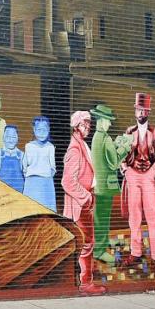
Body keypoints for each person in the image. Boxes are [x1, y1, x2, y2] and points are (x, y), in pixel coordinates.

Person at [62, 110, 106, 295]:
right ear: (76, 125)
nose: (87, 126)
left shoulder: (81, 145)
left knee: (85, 243)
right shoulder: (74, 149)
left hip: (85, 202)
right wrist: (87, 198)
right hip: (80, 205)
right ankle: (85, 283)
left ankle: (82, 280)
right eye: (84, 123)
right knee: (86, 243)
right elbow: (68, 181)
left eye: (89, 123)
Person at [120, 93, 155, 267]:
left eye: (143, 110)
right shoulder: (129, 131)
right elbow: (121, 153)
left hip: (148, 177)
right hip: (133, 175)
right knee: (134, 216)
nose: (140, 113)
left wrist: (153, 170)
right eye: (138, 109)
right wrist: (125, 169)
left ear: (148, 112)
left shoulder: (154, 132)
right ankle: (136, 252)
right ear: (135, 111)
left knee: (152, 216)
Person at [89, 104, 123, 264]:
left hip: (99, 186)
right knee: (102, 218)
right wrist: (124, 148)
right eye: (108, 121)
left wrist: (114, 145)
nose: (110, 124)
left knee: (101, 218)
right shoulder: (106, 138)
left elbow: (105, 156)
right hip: (105, 187)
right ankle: (99, 251)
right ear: (102, 121)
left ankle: (103, 242)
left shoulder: (97, 137)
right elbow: (114, 163)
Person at [22, 116, 56, 211]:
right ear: (34, 129)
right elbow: (24, 165)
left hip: (46, 183)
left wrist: (47, 177)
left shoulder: (50, 147)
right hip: (32, 183)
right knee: (31, 209)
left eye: (44, 130)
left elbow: (53, 167)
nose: (41, 133)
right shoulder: (29, 146)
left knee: (46, 209)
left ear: (48, 129)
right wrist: (30, 177)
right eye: (38, 130)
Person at [0, 125, 26, 192]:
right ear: (3, 138)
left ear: (17, 138)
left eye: (13, 137)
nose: (11, 140)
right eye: (8, 137)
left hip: (19, 190)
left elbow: (25, 174)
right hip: (3, 190)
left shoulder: (21, 155)